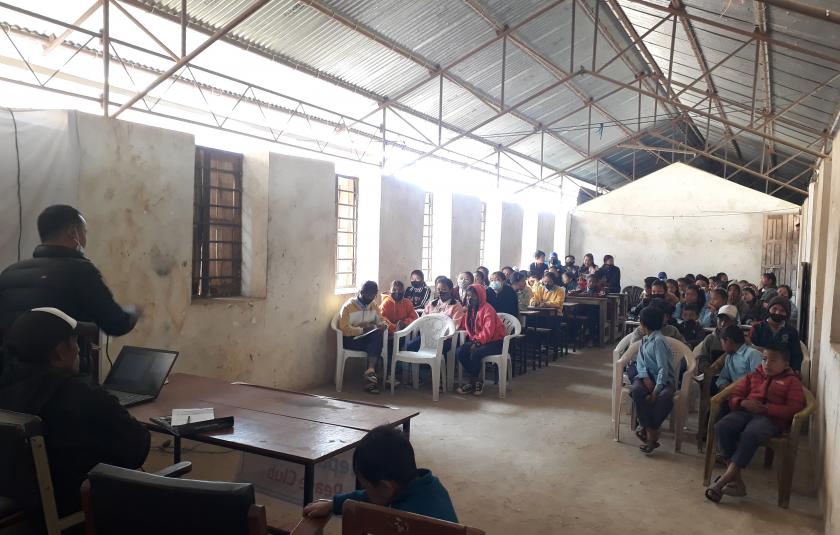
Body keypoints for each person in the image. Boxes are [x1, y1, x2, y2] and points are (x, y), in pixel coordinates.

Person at [0, 308, 150, 516]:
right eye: (74, 342)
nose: (79, 350)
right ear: (59, 353)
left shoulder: (6, 390)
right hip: (79, 510)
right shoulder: (82, 396)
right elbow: (138, 448)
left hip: (22, 508)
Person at [0, 205, 139, 375]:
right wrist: (135, 312)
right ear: (73, 233)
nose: (85, 239)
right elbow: (117, 324)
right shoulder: (81, 271)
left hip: (11, 384)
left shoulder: (9, 272)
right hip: (60, 386)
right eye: (84, 232)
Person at [704, 346, 804, 503]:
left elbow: (794, 408)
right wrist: (743, 402)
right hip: (746, 412)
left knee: (751, 433)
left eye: (773, 360)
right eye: (764, 359)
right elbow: (735, 395)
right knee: (722, 426)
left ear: (785, 364)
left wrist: (767, 408)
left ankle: (724, 479)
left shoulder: (792, 382)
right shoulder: (754, 375)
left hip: (771, 419)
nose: (767, 364)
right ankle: (737, 481)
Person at [304, 425, 457, 522]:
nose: (366, 492)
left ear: (386, 486)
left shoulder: (406, 521)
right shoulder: (427, 484)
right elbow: (369, 497)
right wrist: (334, 504)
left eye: (366, 486)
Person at [630, 306, 676, 455]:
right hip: (645, 377)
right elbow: (640, 363)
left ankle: (647, 430)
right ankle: (651, 432)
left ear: (644, 324)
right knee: (636, 391)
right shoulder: (644, 340)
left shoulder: (658, 341)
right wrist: (644, 377)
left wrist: (656, 390)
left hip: (663, 380)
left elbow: (664, 369)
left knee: (666, 397)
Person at [455, 284, 506, 396]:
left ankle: (472, 382)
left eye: (473, 296)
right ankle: (476, 380)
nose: (469, 299)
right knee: (460, 351)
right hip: (479, 340)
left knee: (475, 352)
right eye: (468, 296)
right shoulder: (470, 310)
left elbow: (488, 331)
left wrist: (477, 342)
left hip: (495, 342)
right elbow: (467, 326)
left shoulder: (488, 309)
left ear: (480, 296)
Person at [339, 281, 388, 394]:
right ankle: (371, 376)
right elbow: (344, 329)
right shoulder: (348, 307)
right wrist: (363, 330)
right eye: (368, 295)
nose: (371, 298)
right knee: (376, 342)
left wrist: (383, 325)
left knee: (377, 334)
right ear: (361, 292)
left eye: (373, 295)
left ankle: (370, 372)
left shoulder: (373, 305)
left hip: (367, 339)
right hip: (351, 340)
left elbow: (381, 319)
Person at [405, 278, 465, 356]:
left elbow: (455, 326)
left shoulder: (456, 306)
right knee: (411, 345)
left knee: (434, 351)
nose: (440, 292)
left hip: (445, 339)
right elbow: (422, 320)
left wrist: (439, 333)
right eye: (438, 289)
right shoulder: (432, 304)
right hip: (428, 336)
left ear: (450, 290)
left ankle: (432, 366)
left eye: (443, 289)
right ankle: (422, 365)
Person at [749, 296, 803, 372]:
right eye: (774, 309)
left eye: (782, 310)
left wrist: (795, 370)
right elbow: (752, 351)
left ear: (787, 313)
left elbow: (796, 354)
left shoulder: (791, 331)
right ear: (769, 309)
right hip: (760, 370)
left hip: (784, 371)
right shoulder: (757, 328)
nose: (777, 312)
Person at [694, 304, 740, 375]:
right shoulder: (710, 339)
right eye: (720, 319)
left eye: (727, 320)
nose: (723, 323)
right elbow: (702, 361)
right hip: (713, 377)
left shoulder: (741, 342)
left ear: (735, 323)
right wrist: (709, 370)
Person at [715, 325, 763, 392]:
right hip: (735, 393)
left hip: (750, 394)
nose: (722, 347)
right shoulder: (729, 357)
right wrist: (723, 385)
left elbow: (757, 381)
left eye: (722, 343)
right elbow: (722, 377)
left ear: (729, 341)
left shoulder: (753, 354)